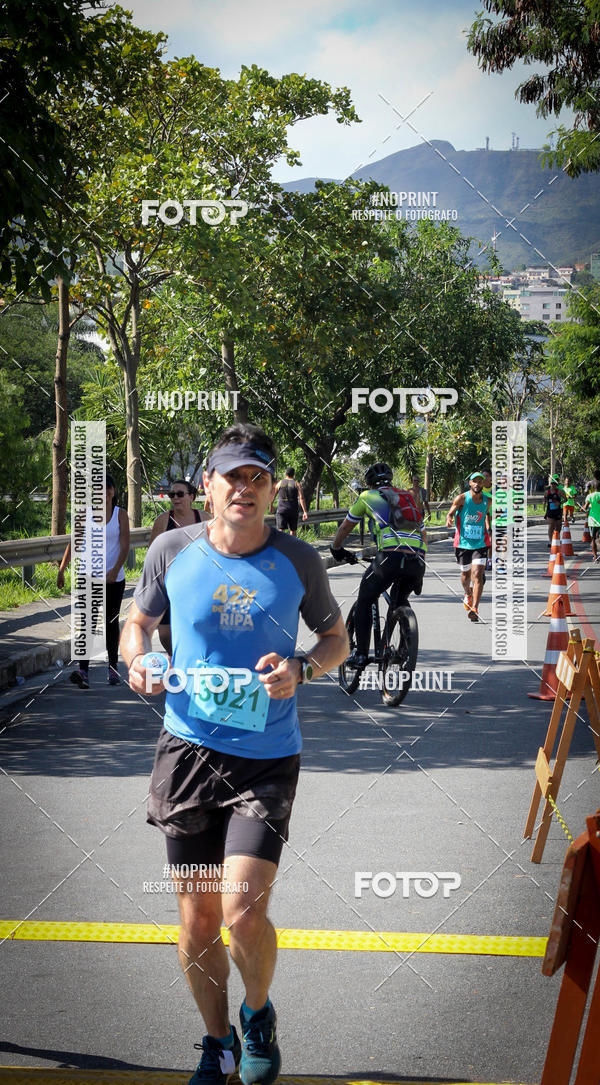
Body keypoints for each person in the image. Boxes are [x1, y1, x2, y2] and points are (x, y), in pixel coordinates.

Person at [120, 423, 347, 1085]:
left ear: (272, 487)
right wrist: (140, 658)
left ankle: (256, 1013)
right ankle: (216, 1042)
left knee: (243, 911)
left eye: (258, 477)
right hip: (187, 750)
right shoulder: (171, 549)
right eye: (233, 477)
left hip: (266, 756)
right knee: (196, 919)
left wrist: (304, 668)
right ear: (209, 487)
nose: (245, 489)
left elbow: (337, 637)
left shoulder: (297, 558)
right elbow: (137, 622)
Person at [329, 462, 426, 668]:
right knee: (400, 600)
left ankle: (362, 655)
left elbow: (346, 526)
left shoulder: (367, 497)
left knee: (366, 597)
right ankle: (404, 648)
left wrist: (336, 549)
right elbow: (422, 532)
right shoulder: (408, 497)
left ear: (370, 483)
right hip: (416, 560)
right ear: (390, 480)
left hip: (389, 558)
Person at [57, 473, 130, 688]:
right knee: (87, 624)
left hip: (114, 579)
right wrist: (62, 569)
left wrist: (115, 570)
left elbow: (125, 545)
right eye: (98, 489)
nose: (103, 492)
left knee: (110, 623)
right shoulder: (84, 514)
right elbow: (74, 543)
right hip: (87, 577)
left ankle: (113, 670)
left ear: (112, 492)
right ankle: (83, 671)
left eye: (107, 488)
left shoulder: (120, 515)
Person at [149, 480, 209, 654]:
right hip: (169, 583)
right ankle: (176, 655)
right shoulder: (162, 521)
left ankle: (192, 659)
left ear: (191, 496)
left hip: (198, 584)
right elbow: (153, 553)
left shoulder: (204, 519)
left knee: (196, 627)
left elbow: (217, 548)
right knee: (165, 633)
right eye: (172, 494)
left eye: (180, 494)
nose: (175, 498)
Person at [446, 471, 491, 623]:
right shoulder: (462, 498)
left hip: (481, 543)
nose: (477, 483)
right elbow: (451, 513)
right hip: (463, 543)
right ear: (470, 483)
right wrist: (449, 518)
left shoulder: (488, 500)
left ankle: (475, 608)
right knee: (465, 576)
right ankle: (467, 592)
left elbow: (488, 514)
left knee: (477, 574)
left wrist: (490, 528)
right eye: (475, 481)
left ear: (484, 484)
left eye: (480, 481)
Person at [271, 467, 308, 535]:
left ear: (285, 474)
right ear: (294, 474)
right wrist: (305, 512)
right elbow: (301, 498)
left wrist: (271, 506)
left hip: (282, 510)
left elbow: (272, 496)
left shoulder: (279, 483)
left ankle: (281, 545)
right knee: (293, 530)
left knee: (280, 530)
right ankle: (292, 545)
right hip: (293, 510)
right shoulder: (297, 484)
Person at [543, 479, 563, 546]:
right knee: (551, 525)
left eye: (555, 484)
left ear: (556, 485)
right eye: (552, 484)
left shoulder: (559, 492)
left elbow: (565, 499)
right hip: (550, 511)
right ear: (550, 484)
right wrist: (544, 505)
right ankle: (550, 541)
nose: (553, 485)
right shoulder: (547, 492)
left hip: (557, 511)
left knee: (558, 525)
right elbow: (544, 499)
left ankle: (557, 538)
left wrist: (559, 502)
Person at [584, 483, 600, 562]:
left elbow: (586, 507)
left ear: (593, 488)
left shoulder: (590, 496)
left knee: (593, 539)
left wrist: (583, 508)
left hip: (592, 521)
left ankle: (595, 557)